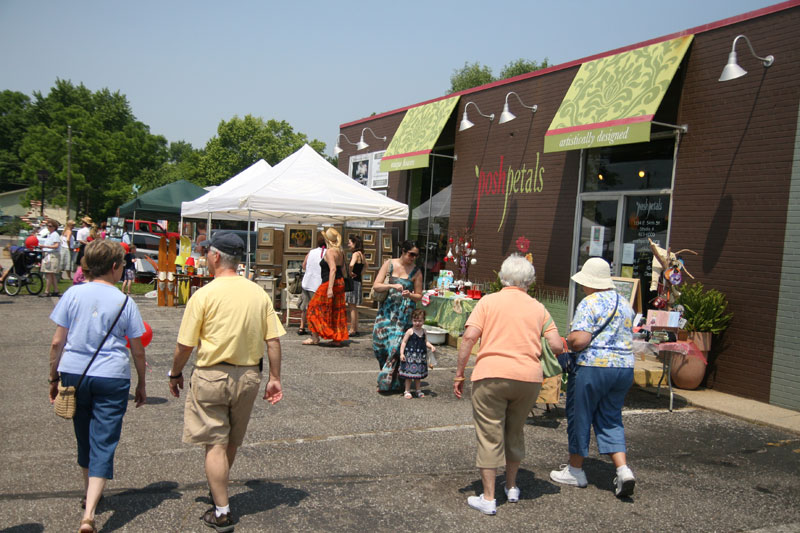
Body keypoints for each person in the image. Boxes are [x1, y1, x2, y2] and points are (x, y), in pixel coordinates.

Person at [168, 231, 284, 532]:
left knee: (215, 443)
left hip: (212, 375)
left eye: (208, 252)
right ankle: (218, 489)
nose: (206, 257)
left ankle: (222, 511)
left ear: (216, 256)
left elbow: (184, 346)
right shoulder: (258, 293)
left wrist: (175, 373)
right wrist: (275, 378)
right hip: (248, 375)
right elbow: (273, 341)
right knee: (231, 439)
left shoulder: (204, 294)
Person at [47, 239, 147, 533]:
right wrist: (141, 382)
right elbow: (137, 350)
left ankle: (89, 494)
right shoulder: (125, 301)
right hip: (112, 376)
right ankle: (90, 511)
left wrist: (53, 378)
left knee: (83, 434)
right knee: (104, 440)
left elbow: (57, 342)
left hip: (74, 374)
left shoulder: (72, 294)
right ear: (115, 267)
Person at [453, 255, 564, 515]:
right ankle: (512, 487)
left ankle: (489, 498)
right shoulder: (538, 307)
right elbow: (557, 345)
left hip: (490, 375)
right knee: (515, 431)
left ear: (502, 277)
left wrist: (459, 373)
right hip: (528, 379)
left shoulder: (488, 302)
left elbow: (469, 337)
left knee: (489, 436)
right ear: (530, 281)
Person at [549, 257, 637, 498]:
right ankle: (623, 469)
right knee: (610, 417)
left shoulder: (590, 302)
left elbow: (580, 340)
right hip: (624, 368)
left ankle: (575, 469)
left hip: (593, 367)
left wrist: (568, 342)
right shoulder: (625, 304)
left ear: (590, 282)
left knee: (580, 415)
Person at [371, 240, 423, 370]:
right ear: (403, 251)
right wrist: (391, 285)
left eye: (416, 255)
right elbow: (376, 285)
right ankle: (387, 373)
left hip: (404, 316)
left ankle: (387, 380)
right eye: (411, 254)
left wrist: (409, 295)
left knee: (395, 348)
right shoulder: (389, 264)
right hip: (386, 312)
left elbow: (419, 296)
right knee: (379, 345)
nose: (413, 258)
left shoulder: (416, 272)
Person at [303, 228, 348, 346]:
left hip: (329, 283)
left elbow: (333, 269)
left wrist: (329, 288)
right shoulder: (340, 252)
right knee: (336, 310)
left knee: (313, 308)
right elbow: (342, 269)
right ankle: (337, 338)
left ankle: (315, 337)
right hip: (340, 282)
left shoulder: (330, 252)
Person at [399, 308, 436, 399]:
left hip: (420, 357)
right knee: (408, 375)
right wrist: (401, 354)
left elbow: (425, 342)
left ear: (423, 321)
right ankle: (407, 390)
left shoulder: (424, 332)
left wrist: (431, 346)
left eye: (420, 321)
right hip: (410, 357)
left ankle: (418, 390)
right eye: (415, 321)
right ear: (412, 320)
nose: (417, 323)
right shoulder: (410, 331)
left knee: (418, 375)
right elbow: (403, 342)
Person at [298, 233, 326, 335]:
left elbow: (304, 266)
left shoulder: (311, 252)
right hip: (318, 283)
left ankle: (301, 327)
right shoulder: (327, 253)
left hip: (307, 282)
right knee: (317, 309)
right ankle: (314, 329)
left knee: (305, 307)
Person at [346, 234, 365, 336]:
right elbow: (366, 265)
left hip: (353, 282)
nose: (348, 244)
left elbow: (351, 265)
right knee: (354, 307)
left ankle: (352, 329)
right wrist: (361, 273)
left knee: (351, 306)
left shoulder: (355, 254)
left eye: (350, 242)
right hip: (358, 281)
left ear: (354, 243)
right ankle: (355, 328)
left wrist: (350, 272)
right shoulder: (361, 254)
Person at [40, 219, 62, 297]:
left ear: (54, 227)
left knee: (49, 273)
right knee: (51, 274)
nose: (48, 227)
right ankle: (56, 290)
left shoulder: (55, 234)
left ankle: (47, 291)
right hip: (49, 254)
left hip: (53, 255)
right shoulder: (50, 234)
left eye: (50, 226)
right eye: (47, 226)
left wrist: (45, 246)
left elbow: (56, 245)